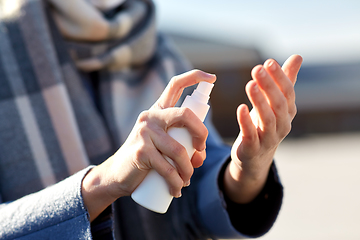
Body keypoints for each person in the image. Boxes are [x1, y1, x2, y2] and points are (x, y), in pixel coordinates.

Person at [0, 0, 303, 239]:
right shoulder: (6, 51)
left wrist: (246, 170)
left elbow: (194, 192)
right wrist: (103, 183)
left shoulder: (156, 49)